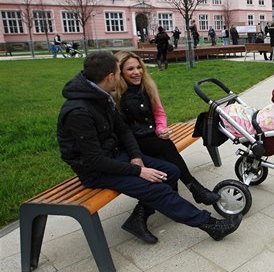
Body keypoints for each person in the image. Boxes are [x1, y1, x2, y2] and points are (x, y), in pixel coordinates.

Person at [57, 51, 242, 245]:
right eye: (120, 73)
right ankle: (210, 225)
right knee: (157, 187)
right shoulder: (79, 112)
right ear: (110, 77)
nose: (121, 78)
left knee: (170, 171)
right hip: (95, 171)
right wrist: (139, 170)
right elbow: (95, 161)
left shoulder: (100, 95)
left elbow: (123, 131)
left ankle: (138, 219)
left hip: (114, 157)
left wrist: (136, 157)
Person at [113, 50, 220, 205]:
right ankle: (194, 188)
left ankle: (168, 201)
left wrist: (161, 129)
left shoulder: (147, 87)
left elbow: (159, 113)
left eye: (139, 67)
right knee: (165, 148)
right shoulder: (116, 95)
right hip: (131, 143)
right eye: (130, 69)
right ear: (120, 72)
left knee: (167, 161)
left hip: (151, 137)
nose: (137, 72)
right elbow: (122, 130)